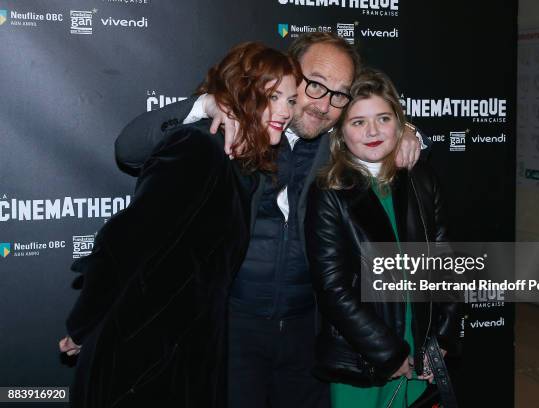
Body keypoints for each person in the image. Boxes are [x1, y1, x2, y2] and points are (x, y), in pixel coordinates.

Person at [112, 32, 430, 408]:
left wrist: (409, 133)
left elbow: (377, 120)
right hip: (230, 331)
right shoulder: (232, 127)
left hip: (305, 335)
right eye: (315, 85)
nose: (323, 104)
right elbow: (128, 150)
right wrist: (205, 104)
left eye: (339, 94)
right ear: (288, 74)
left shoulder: (337, 144)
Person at [58, 42, 302, 408]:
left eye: (291, 100)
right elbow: (124, 244)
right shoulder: (199, 147)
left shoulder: (241, 168)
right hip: (141, 359)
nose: (286, 110)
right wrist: (83, 324)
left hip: (184, 355)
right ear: (241, 93)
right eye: (274, 96)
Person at [304, 69, 461, 408]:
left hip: (422, 347)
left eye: (383, 118)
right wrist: (389, 354)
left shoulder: (421, 178)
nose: (373, 131)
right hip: (362, 354)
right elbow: (333, 288)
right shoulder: (330, 191)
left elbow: (445, 259)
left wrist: (442, 337)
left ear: (400, 123)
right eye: (358, 122)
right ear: (340, 132)